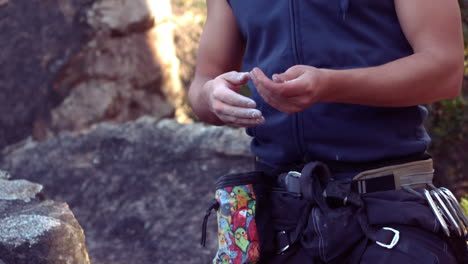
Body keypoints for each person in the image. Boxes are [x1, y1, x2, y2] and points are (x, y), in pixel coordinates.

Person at [189, 0, 466, 263]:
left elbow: (445, 70)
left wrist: (329, 85)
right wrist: (212, 95)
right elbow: (203, 84)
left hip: (389, 206)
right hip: (279, 216)